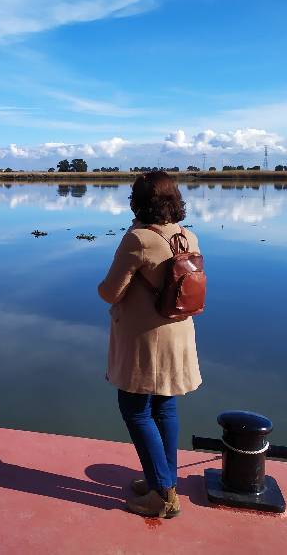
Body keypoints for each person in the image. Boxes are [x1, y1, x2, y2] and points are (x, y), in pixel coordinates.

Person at [97, 171, 202, 519]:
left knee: (135, 409)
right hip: (179, 334)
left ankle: (162, 494)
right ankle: (164, 478)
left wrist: (130, 235)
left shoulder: (138, 239)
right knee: (164, 408)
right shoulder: (188, 237)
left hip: (146, 342)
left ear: (138, 202)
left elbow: (110, 292)